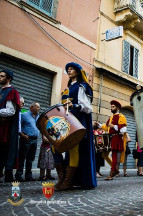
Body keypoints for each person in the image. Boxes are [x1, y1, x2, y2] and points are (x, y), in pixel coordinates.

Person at [53, 62, 97, 190]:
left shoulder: (82, 87)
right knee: (54, 145)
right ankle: (62, 177)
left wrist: (75, 106)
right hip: (65, 122)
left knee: (73, 149)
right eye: (68, 69)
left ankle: (68, 181)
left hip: (77, 122)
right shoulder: (67, 89)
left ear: (78, 72)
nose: (69, 71)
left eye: (72, 69)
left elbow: (88, 108)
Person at [98, 100, 127, 180]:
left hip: (118, 138)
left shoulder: (121, 116)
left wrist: (114, 126)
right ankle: (114, 171)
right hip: (111, 138)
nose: (111, 108)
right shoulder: (111, 118)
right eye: (111, 107)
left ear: (117, 108)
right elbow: (107, 126)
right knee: (113, 156)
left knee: (116, 156)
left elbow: (124, 128)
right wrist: (100, 125)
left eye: (113, 107)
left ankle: (112, 172)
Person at [0, 69, 20, 183]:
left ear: (8, 79)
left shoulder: (12, 91)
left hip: (6, 129)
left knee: (5, 151)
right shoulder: (1, 91)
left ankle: (8, 174)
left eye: (2, 76)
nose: (0, 78)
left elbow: (11, 111)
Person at [15, 102, 40, 181]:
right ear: (32, 108)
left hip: (34, 140)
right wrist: (22, 135)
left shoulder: (38, 116)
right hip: (26, 139)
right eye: (38, 107)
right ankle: (18, 175)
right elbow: (18, 126)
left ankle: (28, 175)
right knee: (22, 157)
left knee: (30, 158)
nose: (39, 108)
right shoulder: (24, 115)